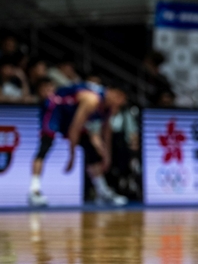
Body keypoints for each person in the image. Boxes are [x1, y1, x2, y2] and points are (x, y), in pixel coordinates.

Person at [28, 79, 129, 207]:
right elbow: (74, 129)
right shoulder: (92, 100)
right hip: (56, 108)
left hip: (71, 114)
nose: (121, 103)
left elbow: (106, 132)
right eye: (120, 98)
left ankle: (102, 192)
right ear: (112, 92)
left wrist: (107, 156)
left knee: (91, 150)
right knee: (45, 145)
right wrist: (72, 157)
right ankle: (34, 190)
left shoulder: (109, 107)